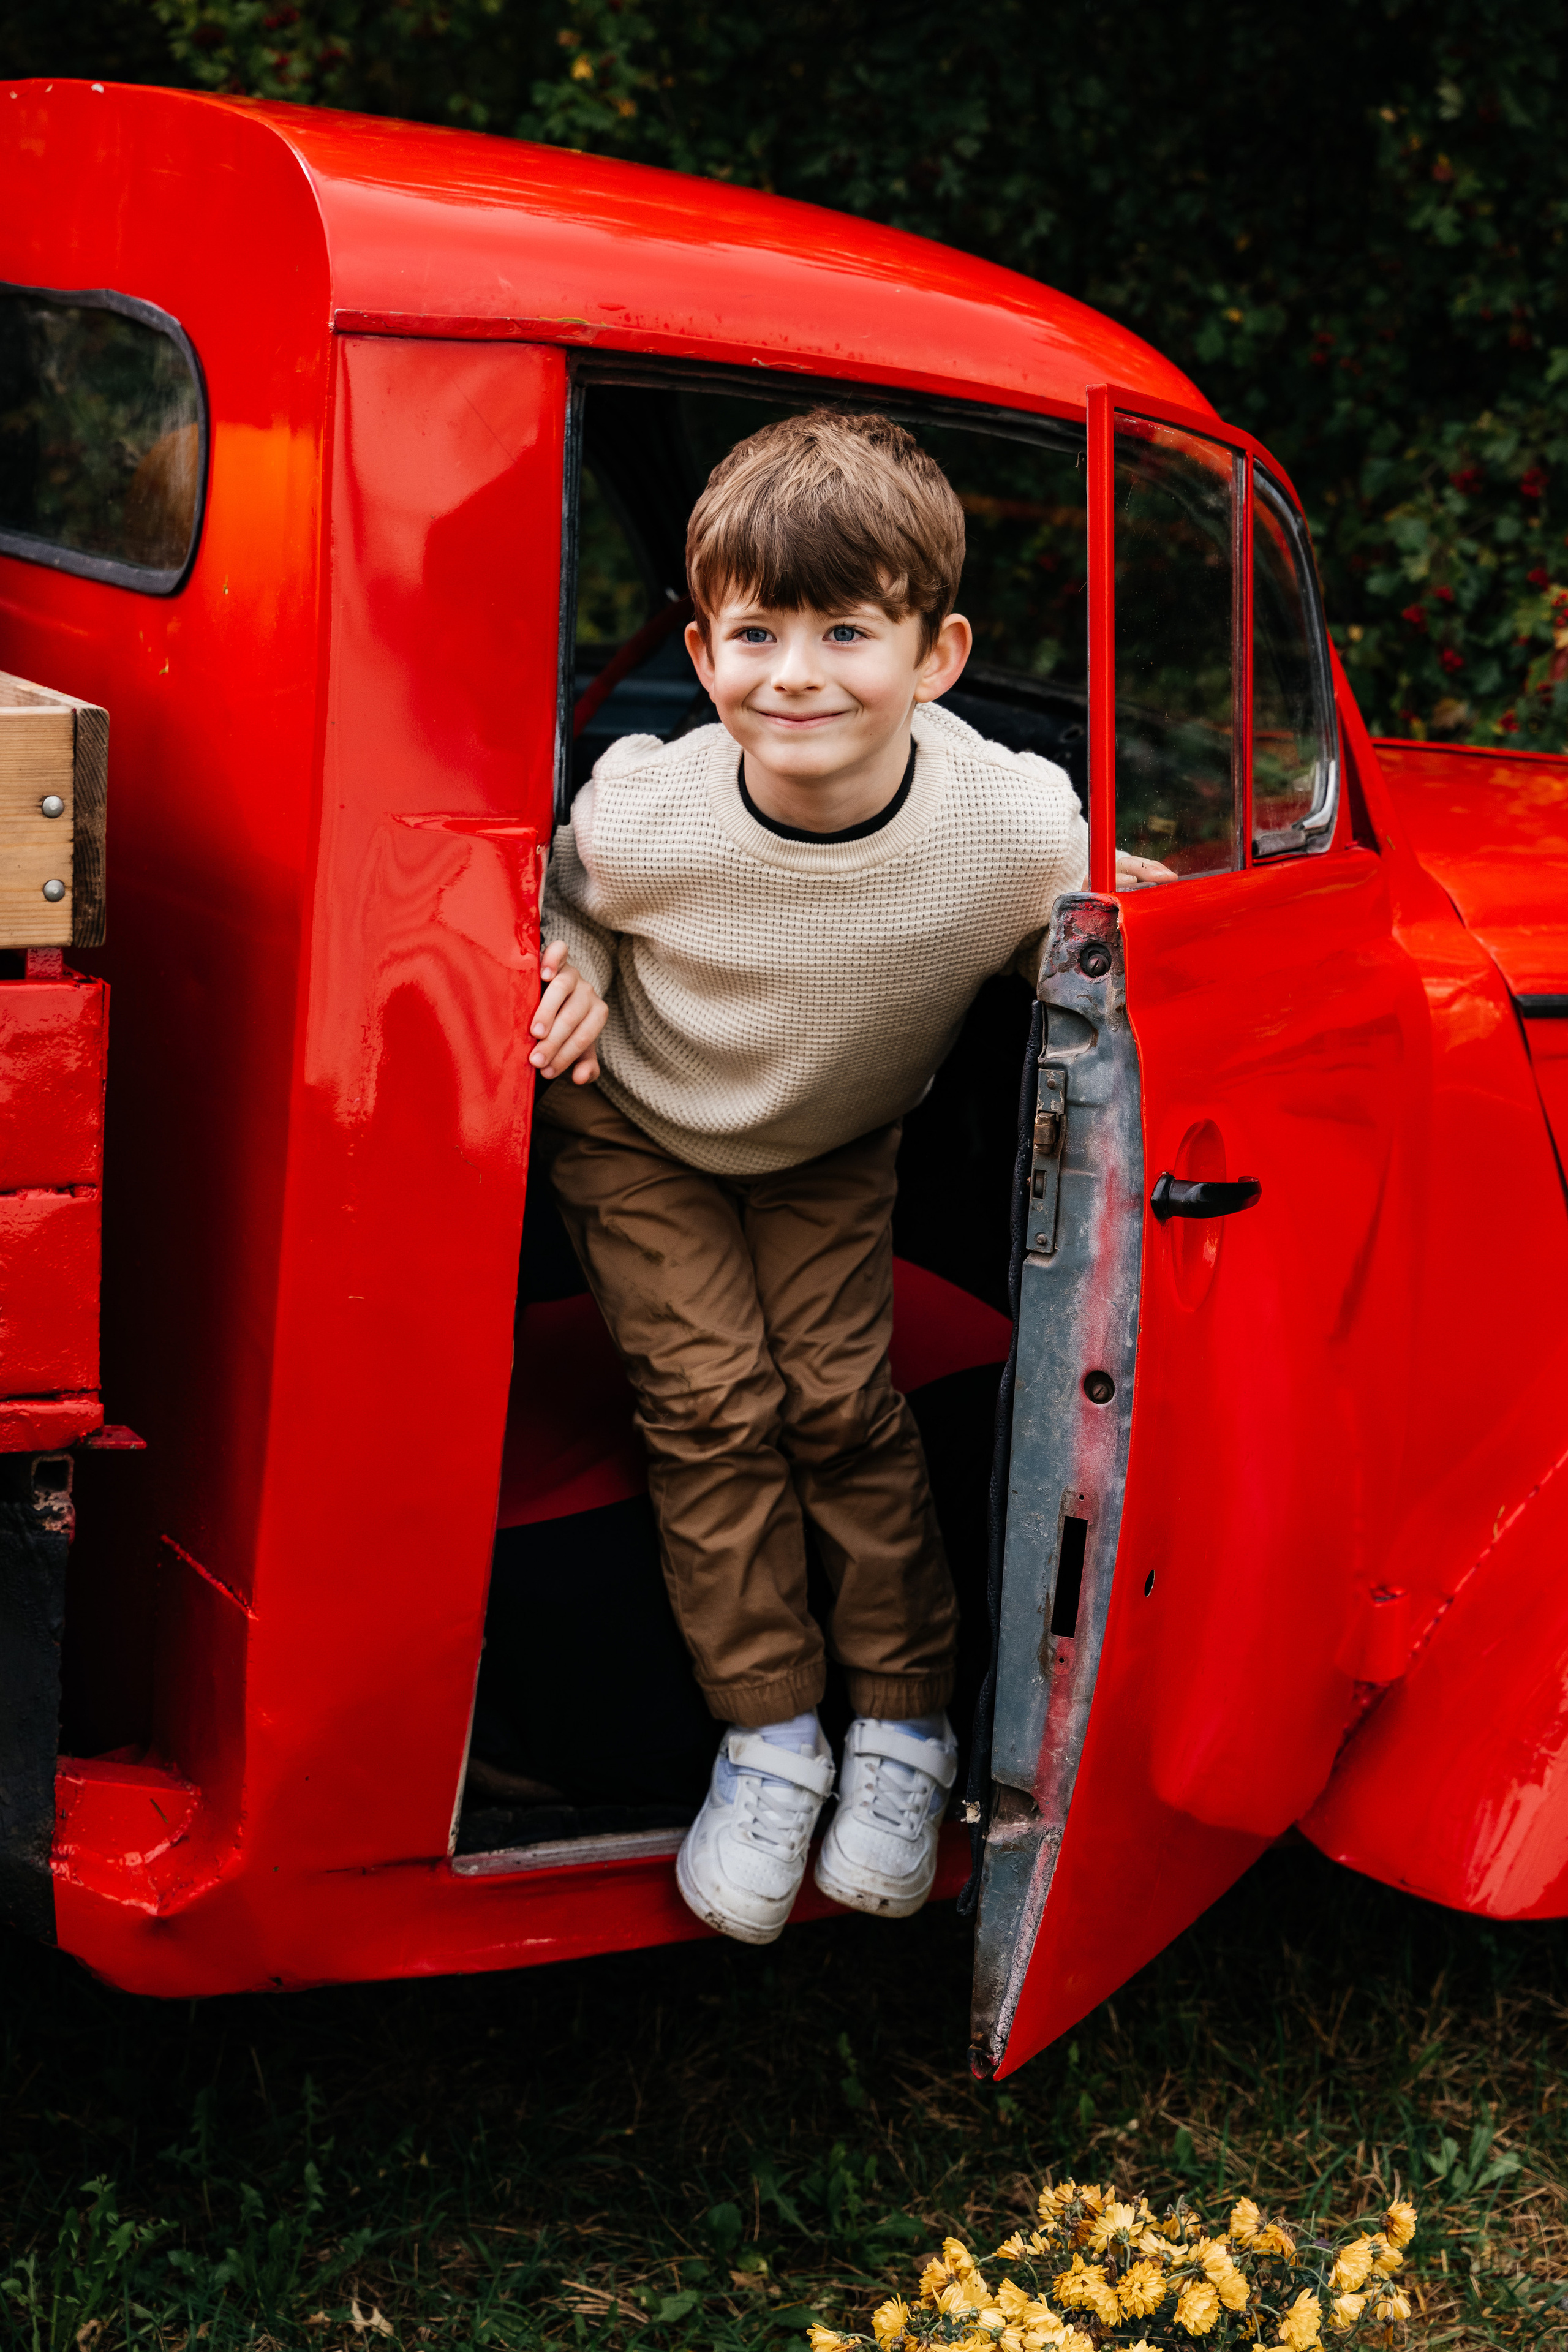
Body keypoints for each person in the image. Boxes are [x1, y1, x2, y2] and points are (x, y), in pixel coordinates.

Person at [529, 409, 1166, 1945]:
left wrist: (1146, 935)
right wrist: (569, 959)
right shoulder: (648, 808)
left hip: (830, 1136)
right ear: (701, 644)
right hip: (643, 1123)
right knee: (713, 1407)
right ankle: (768, 1737)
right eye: (752, 631)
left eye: (844, 629)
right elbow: (561, 892)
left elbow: (1068, 928)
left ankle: (898, 1727)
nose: (793, 671)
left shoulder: (1009, 822)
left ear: (937, 654)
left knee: (840, 1403)